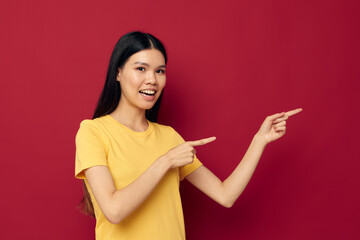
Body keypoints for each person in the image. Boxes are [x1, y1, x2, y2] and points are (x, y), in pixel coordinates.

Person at [74, 31, 302, 240]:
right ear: (118, 72)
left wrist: (259, 141)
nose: (152, 80)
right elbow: (114, 211)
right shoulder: (93, 132)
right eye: (141, 69)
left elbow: (225, 195)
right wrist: (165, 161)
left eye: (159, 71)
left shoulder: (169, 137)